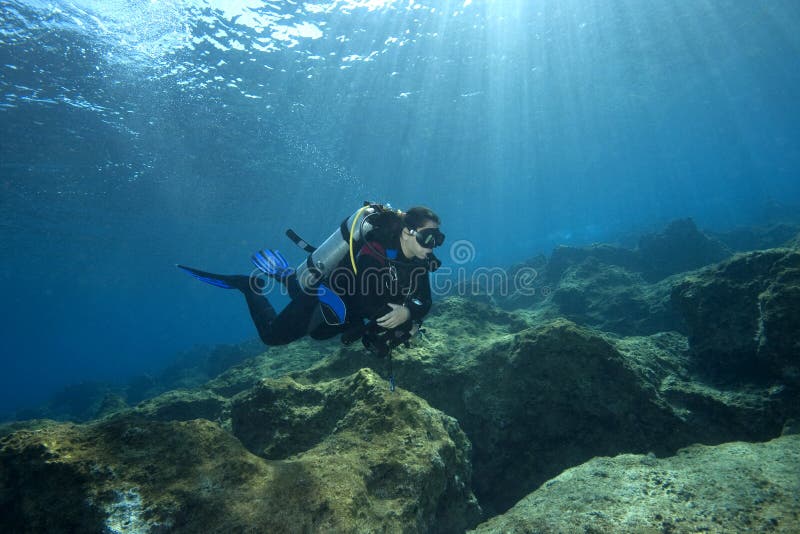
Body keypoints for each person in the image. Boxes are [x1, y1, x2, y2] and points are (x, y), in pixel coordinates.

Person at [177, 204, 444, 360]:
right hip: (326, 297)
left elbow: (425, 300)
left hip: (342, 310)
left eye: (437, 239)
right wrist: (402, 319)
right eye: (429, 237)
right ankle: (248, 285)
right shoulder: (373, 251)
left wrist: (408, 313)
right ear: (408, 232)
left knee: (316, 323)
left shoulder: (418, 260)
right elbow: (366, 302)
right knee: (273, 335)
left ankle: (285, 275)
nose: (433, 246)